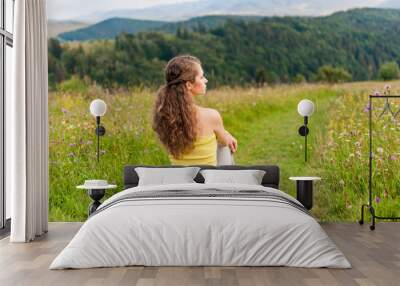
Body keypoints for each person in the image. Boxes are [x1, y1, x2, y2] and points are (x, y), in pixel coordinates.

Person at [153, 55, 237, 166]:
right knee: (224, 146)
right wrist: (227, 135)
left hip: (180, 179)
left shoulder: (164, 115)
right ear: (188, 85)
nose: (206, 80)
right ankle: (228, 181)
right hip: (207, 180)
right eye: (201, 77)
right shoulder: (211, 115)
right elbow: (225, 141)